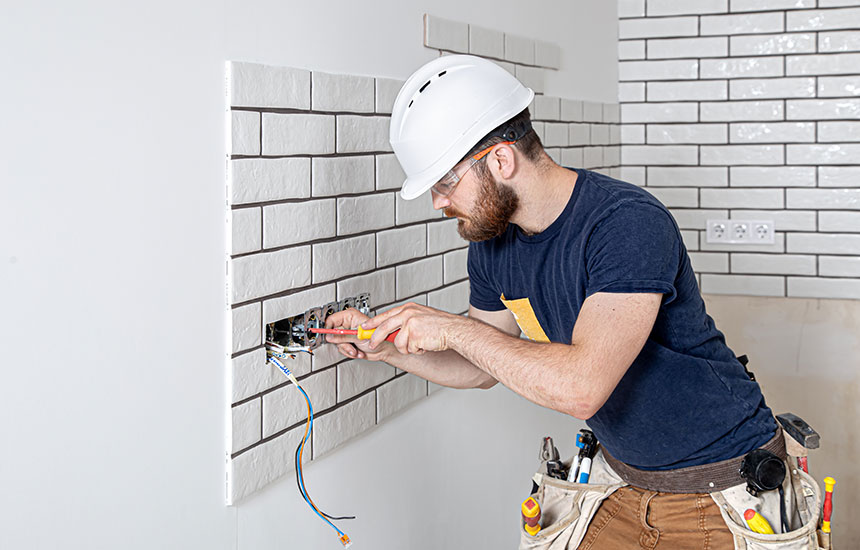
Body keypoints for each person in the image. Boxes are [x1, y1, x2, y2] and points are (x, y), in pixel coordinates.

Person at [324, 55, 781, 549]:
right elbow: (481, 365)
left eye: (446, 183)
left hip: (725, 485)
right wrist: (386, 347)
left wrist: (451, 327)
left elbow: (583, 388)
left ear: (500, 160)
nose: (438, 202)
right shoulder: (493, 244)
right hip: (624, 479)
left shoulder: (626, 223)